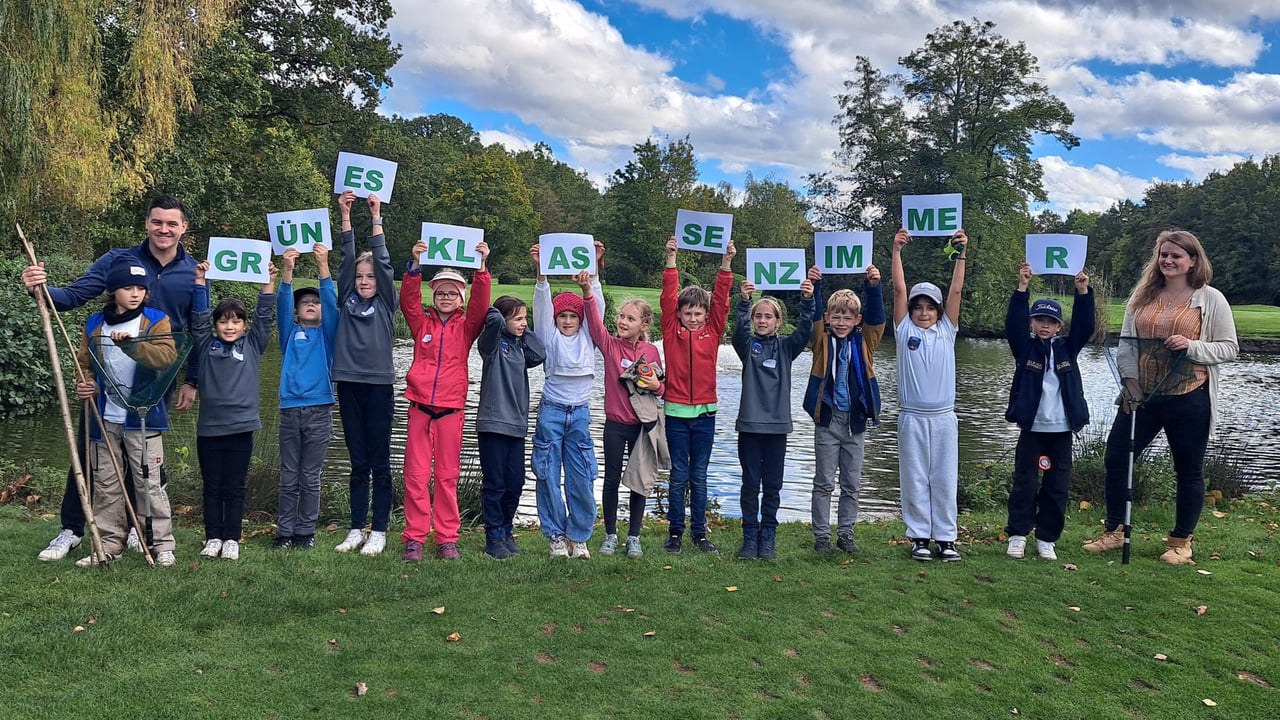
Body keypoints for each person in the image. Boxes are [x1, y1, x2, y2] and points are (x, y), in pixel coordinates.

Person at [22, 195, 198, 561]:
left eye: (171, 223)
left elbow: (199, 328)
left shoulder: (193, 271)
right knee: (93, 454)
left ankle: (141, 530)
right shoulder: (118, 260)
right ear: (147, 223)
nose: (163, 229)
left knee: (146, 459)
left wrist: (192, 380)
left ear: (183, 228)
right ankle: (72, 528)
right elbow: (71, 296)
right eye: (157, 222)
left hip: (155, 380)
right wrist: (41, 287)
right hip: (108, 379)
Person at [1083, 230, 1237, 564]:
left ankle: (1181, 542)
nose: (1168, 261)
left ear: (1192, 261)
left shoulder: (1210, 299)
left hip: (1189, 394)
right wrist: (1130, 382)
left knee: (1188, 469)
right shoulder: (1143, 295)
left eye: (1176, 256)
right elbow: (1125, 343)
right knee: (1117, 458)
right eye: (1163, 255)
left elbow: (1229, 347)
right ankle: (1115, 530)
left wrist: (1192, 346)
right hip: (1142, 396)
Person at [72, 255, 179, 567]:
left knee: (150, 482)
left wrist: (133, 346)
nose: (135, 293)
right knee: (106, 482)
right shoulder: (95, 323)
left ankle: (160, 545)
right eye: (127, 287)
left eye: (140, 288)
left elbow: (165, 357)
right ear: (112, 290)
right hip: (104, 417)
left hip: (144, 417)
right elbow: (84, 363)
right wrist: (85, 384)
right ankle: (108, 544)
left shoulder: (156, 320)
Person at [400, 240, 491, 561]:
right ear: (433, 296)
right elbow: (408, 302)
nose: (445, 298)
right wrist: (414, 266)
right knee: (415, 475)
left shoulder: (466, 328)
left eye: (452, 293)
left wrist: (481, 269)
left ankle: (447, 538)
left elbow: (481, 306)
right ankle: (414, 537)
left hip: (450, 410)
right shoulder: (420, 323)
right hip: (419, 407)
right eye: (440, 293)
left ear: (460, 298)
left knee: (447, 477)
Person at [1003, 263, 1093, 561]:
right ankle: (1017, 535)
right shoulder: (1025, 348)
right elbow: (1012, 325)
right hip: (1032, 429)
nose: (1044, 325)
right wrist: (1022, 288)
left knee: (1057, 487)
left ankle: (1047, 539)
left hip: (1062, 430)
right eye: (1039, 320)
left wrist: (1082, 292)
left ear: (1058, 326)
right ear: (1032, 323)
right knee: (1025, 484)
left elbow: (1085, 326)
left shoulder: (1069, 348)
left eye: (1050, 322)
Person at [191, 258, 277, 560]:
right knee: (212, 486)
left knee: (235, 487)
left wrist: (268, 282)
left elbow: (265, 316)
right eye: (224, 321)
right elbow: (199, 317)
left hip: (241, 428)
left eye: (236, 321)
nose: (229, 326)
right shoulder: (206, 345)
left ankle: (232, 539)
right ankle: (213, 537)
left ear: (244, 325)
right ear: (216, 325)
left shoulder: (252, 345)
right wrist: (200, 281)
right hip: (210, 430)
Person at [891, 227, 968, 562]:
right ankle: (920, 536)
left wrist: (961, 252)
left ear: (939, 311)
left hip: (943, 418)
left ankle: (946, 538)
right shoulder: (903, 329)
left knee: (943, 477)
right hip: (911, 417)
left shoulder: (947, 331)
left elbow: (956, 289)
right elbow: (898, 289)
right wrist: (896, 251)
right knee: (915, 477)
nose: (923, 312)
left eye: (930, 307)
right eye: (918, 307)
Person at [331, 192, 398, 556]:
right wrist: (345, 215)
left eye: (369, 275)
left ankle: (380, 530)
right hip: (349, 384)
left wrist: (375, 215)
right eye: (360, 276)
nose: (364, 280)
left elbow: (384, 263)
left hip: (379, 387)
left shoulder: (387, 303)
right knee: (358, 460)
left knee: (380, 461)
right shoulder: (347, 300)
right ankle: (357, 528)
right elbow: (344, 261)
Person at [803, 264, 886, 556]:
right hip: (827, 420)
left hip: (855, 422)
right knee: (824, 481)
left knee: (851, 483)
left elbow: (878, 320)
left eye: (847, 317)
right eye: (835, 316)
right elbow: (812, 320)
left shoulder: (865, 342)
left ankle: (846, 534)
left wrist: (873, 286)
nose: (840, 321)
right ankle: (822, 537)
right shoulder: (821, 341)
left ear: (856, 319)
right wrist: (816, 286)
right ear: (828, 317)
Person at [661, 236, 735, 554]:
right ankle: (675, 533)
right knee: (679, 474)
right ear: (679, 315)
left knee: (700, 475)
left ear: (706, 316)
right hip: (676, 412)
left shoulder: (713, 331)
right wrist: (671, 260)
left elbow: (721, 300)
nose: (693, 318)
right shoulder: (670, 331)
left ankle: (700, 534)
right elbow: (667, 297)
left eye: (698, 314)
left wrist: (726, 264)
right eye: (687, 313)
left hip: (705, 413)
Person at [530, 243, 604, 559]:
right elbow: (542, 307)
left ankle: (579, 537)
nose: (568, 320)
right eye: (564, 315)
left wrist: (594, 271)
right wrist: (540, 271)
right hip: (552, 411)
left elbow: (596, 305)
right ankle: (556, 537)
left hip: (581, 413)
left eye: (574, 315)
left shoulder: (589, 336)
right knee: (547, 474)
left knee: (582, 476)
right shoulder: (550, 336)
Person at [581, 280, 664, 559]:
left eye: (630, 318)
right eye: (621, 316)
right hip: (615, 426)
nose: (623, 321)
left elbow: (662, 387)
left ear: (643, 324)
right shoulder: (610, 346)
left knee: (639, 480)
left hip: (642, 427)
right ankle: (610, 535)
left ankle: (634, 537)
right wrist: (588, 293)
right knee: (612, 479)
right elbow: (594, 325)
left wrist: (656, 386)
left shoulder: (651, 352)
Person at [732, 278, 814, 559]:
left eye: (768, 316)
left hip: (778, 427)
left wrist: (807, 300)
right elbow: (738, 332)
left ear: (779, 322)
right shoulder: (747, 346)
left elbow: (806, 330)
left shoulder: (787, 348)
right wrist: (744, 302)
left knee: (773, 485)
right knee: (750, 483)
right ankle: (749, 537)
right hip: (750, 426)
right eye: (758, 316)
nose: (763, 320)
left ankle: (768, 536)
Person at [274, 245, 339, 550]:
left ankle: (305, 532)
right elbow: (283, 303)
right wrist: (287, 271)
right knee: (289, 476)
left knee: (310, 476)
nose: (312, 305)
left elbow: (331, 300)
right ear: (298, 313)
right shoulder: (289, 333)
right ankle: (284, 532)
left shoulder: (329, 336)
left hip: (320, 411)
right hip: (289, 410)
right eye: (305, 303)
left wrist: (323, 264)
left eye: (316, 302)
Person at [476, 295, 546, 559]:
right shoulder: (491, 347)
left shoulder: (519, 348)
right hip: (493, 425)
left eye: (525, 319)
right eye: (517, 318)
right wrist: (500, 317)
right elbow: (491, 318)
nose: (523, 323)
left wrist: (523, 329)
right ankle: (493, 536)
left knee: (515, 483)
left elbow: (540, 353)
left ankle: (505, 529)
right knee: (495, 484)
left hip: (516, 427)